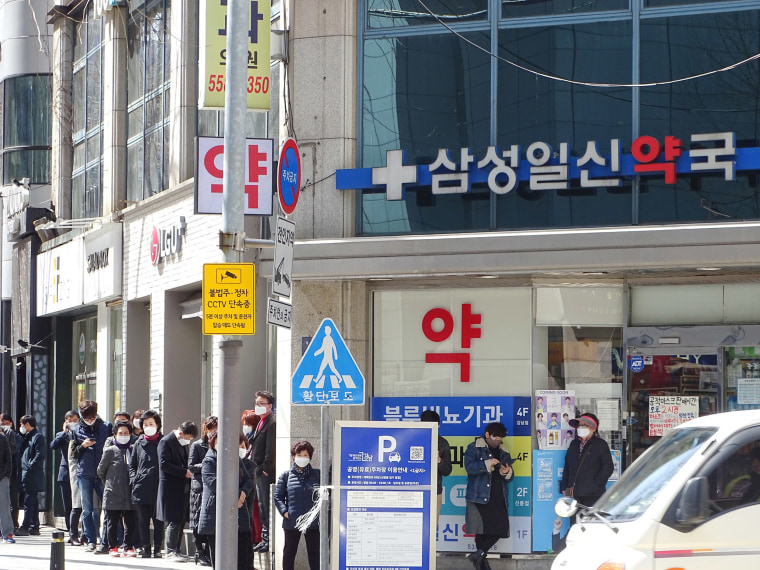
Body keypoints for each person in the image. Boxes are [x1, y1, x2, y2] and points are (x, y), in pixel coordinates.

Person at [198, 430, 252, 569]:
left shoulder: (236, 458)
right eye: (218, 441)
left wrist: (243, 493)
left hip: (239, 511)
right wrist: (236, 495)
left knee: (242, 556)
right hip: (216, 514)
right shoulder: (209, 460)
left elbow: (248, 480)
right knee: (219, 558)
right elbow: (214, 483)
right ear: (213, 442)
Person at [464, 422, 514, 570]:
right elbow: (469, 467)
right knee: (481, 530)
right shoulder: (474, 447)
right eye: (495, 437)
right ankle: (482, 564)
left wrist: (507, 473)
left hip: (498, 495)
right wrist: (487, 463)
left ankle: (478, 554)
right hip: (479, 495)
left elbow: (510, 476)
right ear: (487, 435)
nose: (498, 440)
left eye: (500, 438)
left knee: (501, 527)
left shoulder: (504, 450)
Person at [274, 440, 320, 570]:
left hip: (313, 522)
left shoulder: (317, 475)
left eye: (305, 455)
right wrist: (285, 512)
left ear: (310, 457)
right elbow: (278, 497)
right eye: (299, 455)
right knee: (289, 553)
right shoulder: (286, 475)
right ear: (293, 456)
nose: (302, 458)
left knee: (315, 554)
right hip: (292, 521)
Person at [72, 400, 111, 553]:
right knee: (87, 510)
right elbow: (74, 453)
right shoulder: (76, 430)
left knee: (108, 508)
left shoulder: (106, 427)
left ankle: (107, 540)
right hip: (85, 473)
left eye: (92, 416)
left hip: (103, 473)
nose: (90, 420)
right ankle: (90, 540)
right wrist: (83, 446)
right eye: (86, 417)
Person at [560, 412, 614, 522]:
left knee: (591, 526)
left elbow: (608, 467)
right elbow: (567, 466)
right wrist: (564, 486)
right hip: (574, 495)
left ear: (594, 428)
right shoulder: (574, 444)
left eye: (585, 425)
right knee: (575, 525)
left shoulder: (600, 444)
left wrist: (596, 484)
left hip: (593, 496)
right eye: (579, 425)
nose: (581, 428)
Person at [157, 420, 197, 561]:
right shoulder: (166, 442)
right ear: (181, 433)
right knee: (173, 520)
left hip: (183, 487)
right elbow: (164, 465)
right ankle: (170, 550)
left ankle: (177, 549)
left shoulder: (182, 444)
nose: (188, 441)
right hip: (171, 486)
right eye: (188, 438)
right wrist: (183, 472)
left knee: (180, 519)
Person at [97, 420, 137, 557]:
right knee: (112, 522)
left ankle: (128, 546)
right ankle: (113, 547)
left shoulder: (134, 449)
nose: (123, 435)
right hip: (113, 492)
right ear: (114, 435)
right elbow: (100, 471)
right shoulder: (110, 451)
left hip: (130, 491)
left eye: (126, 433)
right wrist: (110, 483)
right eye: (121, 433)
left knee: (130, 522)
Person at [129, 409, 164, 559]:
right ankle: (145, 548)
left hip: (158, 488)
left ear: (157, 424)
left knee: (158, 521)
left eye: (151, 423)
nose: (148, 426)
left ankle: (157, 548)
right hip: (141, 488)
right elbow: (132, 465)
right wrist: (134, 479)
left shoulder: (163, 442)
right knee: (142, 521)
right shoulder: (138, 443)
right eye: (145, 424)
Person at [189, 416, 217, 567]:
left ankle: (208, 552)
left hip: (212, 488)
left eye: (216, 429)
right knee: (198, 521)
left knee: (209, 522)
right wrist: (208, 466)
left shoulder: (221, 445)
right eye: (211, 429)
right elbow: (191, 466)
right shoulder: (198, 445)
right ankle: (199, 552)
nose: (214, 432)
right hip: (199, 488)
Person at [250, 390, 276, 552]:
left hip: (264, 472)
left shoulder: (272, 423)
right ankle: (264, 538)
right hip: (257, 471)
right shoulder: (261, 422)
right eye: (256, 404)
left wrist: (265, 469)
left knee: (265, 505)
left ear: (270, 406)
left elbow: (270, 449)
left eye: (262, 404)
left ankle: (267, 540)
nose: (258, 406)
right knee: (260, 504)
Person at [420, 410, 452, 525]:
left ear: (438, 425)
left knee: (431, 526)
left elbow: (447, 470)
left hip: (434, 491)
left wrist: (439, 461)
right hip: (414, 489)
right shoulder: (413, 438)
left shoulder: (442, 443)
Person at [50, 410, 79, 536]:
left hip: (79, 472)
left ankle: (81, 531)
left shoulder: (82, 433)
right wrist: (64, 433)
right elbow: (53, 446)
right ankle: (71, 531)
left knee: (79, 505)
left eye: (75, 420)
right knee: (68, 505)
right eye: (69, 420)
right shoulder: (61, 434)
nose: (72, 423)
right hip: (65, 473)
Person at [18, 415, 45, 536]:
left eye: (22, 424)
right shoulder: (26, 437)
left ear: (27, 424)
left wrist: (31, 466)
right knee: (33, 501)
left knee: (28, 501)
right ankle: (34, 526)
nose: (21, 427)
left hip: (32, 474)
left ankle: (25, 527)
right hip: (27, 473)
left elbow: (40, 454)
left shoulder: (37, 437)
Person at [241, 410, 262, 547]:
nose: (245, 426)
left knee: (256, 512)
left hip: (255, 481)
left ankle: (258, 538)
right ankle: (254, 537)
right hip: (248, 483)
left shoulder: (256, 439)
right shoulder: (248, 440)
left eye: (247, 424)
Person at [1, 414, 22, 530]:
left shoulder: (13, 435)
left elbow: (13, 452)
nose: (3, 425)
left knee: (12, 499)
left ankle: (13, 523)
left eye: (5, 422)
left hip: (11, 472)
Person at [0, 424, 15, 543]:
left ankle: (7, 533)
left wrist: (5, 475)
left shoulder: (3, 438)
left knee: (4, 507)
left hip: (2, 477)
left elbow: (8, 459)